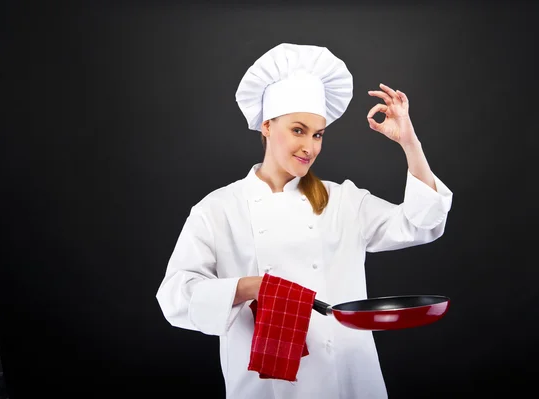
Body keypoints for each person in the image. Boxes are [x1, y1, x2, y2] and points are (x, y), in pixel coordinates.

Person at [156, 43, 453, 399]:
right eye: (298, 130)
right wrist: (252, 287)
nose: (309, 147)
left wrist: (409, 142)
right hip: (267, 388)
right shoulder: (218, 209)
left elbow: (421, 223)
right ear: (267, 125)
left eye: (318, 134)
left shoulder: (342, 200)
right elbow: (175, 297)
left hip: (350, 380)